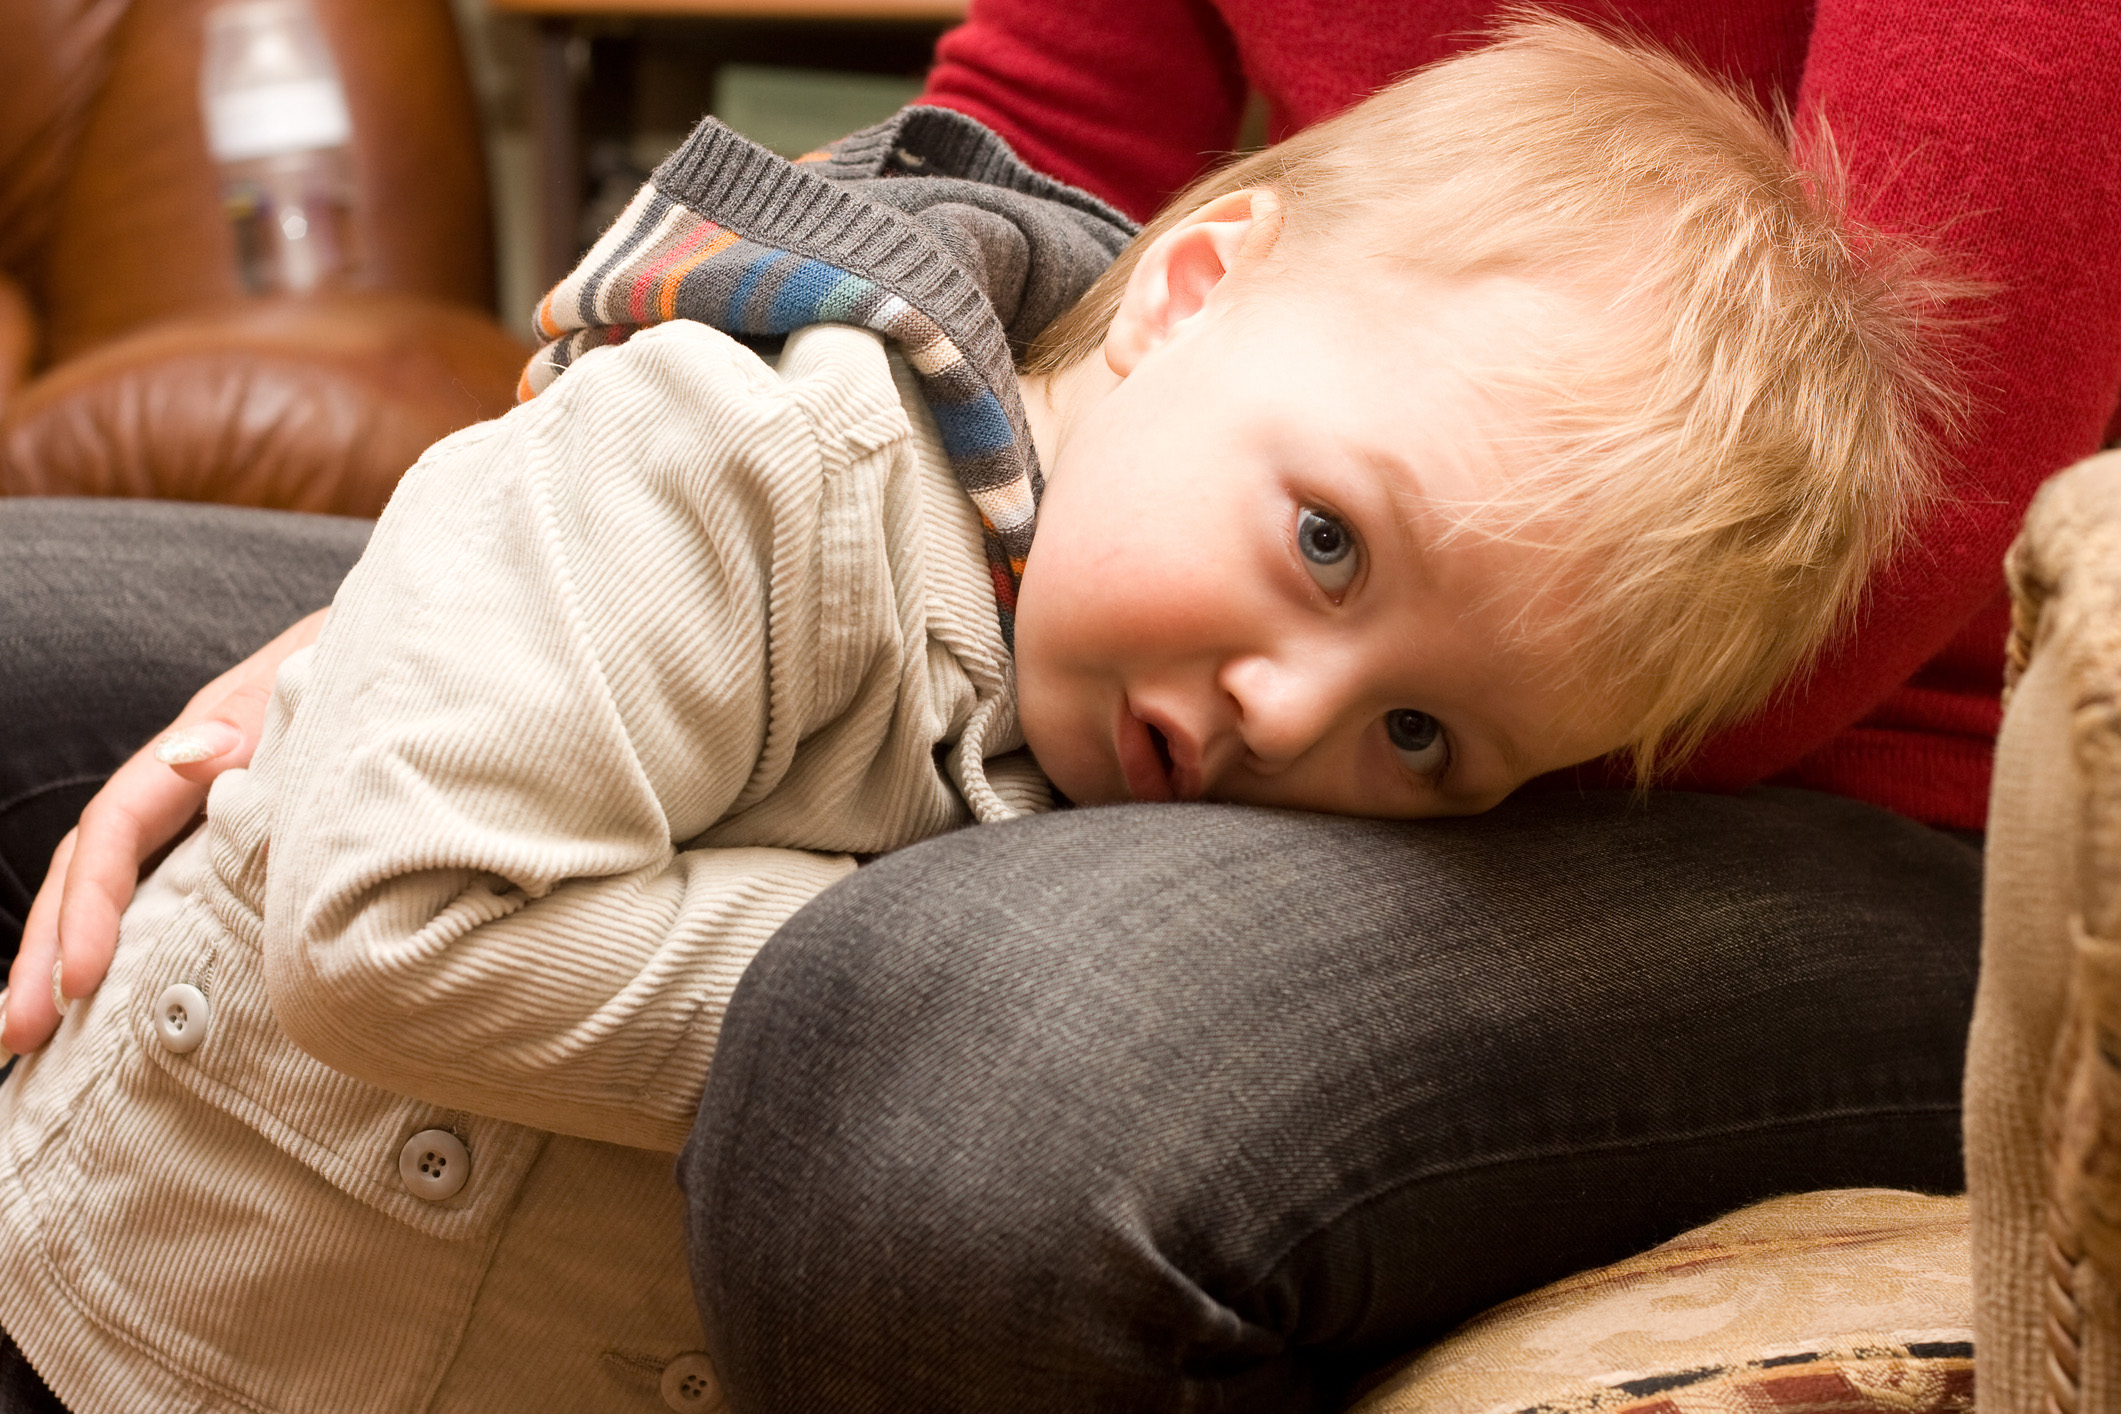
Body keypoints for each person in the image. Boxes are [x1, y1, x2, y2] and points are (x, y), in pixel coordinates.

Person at [0, 21, 1962, 1411]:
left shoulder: (1174, 679)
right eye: (1326, 543)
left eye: (1426, 741)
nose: (1293, 716)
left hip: (1858, 834)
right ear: (1186, 287)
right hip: (138, 1353)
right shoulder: (739, 469)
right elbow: (390, 926)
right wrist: (447, 592)